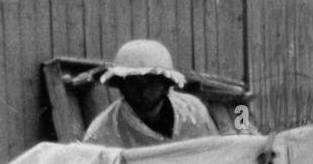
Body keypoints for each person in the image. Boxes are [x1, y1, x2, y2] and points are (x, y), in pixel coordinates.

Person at [83, 39, 219, 147]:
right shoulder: (103, 132)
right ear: (121, 86)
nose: (143, 90)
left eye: (151, 82)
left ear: (166, 84)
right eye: (133, 82)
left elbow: (213, 160)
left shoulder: (193, 112)